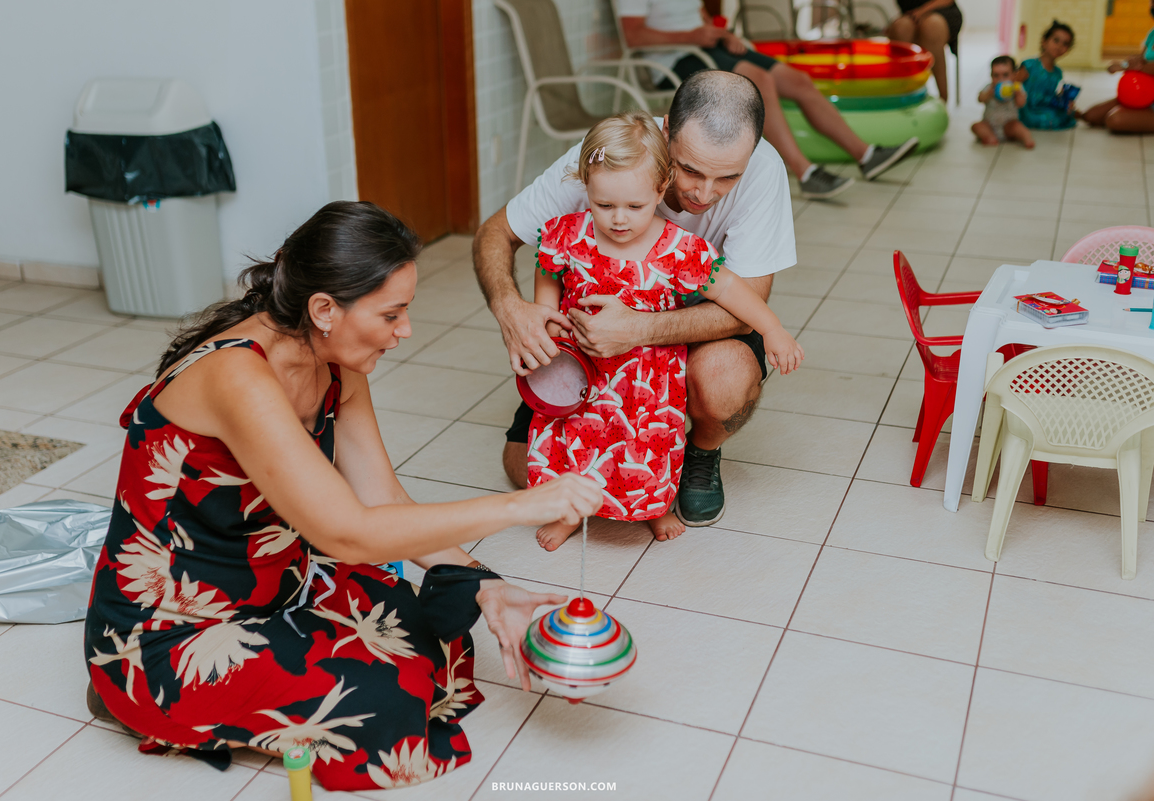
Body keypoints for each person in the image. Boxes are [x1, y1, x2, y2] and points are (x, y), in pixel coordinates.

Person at [83, 202, 603, 792]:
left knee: (439, 625)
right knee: (383, 697)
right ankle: (135, 697)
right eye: (392, 313)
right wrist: (521, 505)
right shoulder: (237, 377)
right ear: (325, 309)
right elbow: (345, 533)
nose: (405, 330)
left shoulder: (335, 362)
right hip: (177, 632)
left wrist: (488, 583)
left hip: (280, 585)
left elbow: (383, 501)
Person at [476, 71, 789, 530]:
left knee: (722, 381)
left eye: (727, 178)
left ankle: (697, 455)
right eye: (691, 170)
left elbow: (743, 308)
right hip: (590, 351)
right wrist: (515, 310)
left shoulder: (763, 172)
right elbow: (497, 235)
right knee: (523, 469)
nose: (704, 194)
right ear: (666, 140)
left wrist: (638, 330)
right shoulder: (611, 160)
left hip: (679, 347)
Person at [616, 0, 918, 200]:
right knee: (759, 81)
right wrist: (692, 37)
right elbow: (634, 36)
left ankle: (866, 155)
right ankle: (805, 172)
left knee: (798, 80)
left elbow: (699, 16)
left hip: (705, 46)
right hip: (674, 58)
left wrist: (722, 34)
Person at [1080, 0, 1154, 134]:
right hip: (1142, 95)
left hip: (1150, 99)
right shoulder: (1152, 34)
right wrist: (1124, 64)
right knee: (1090, 116)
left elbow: (1142, 66)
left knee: (1114, 120)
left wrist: (1128, 67)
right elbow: (1141, 60)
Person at [885, 0, 963, 103]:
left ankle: (943, 98)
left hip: (942, 11)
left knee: (932, 27)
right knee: (900, 28)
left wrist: (922, 11)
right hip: (911, 15)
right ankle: (904, 94)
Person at [1015, 21, 1078, 131]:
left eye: (1065, 44)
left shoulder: (1057, 72)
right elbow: (1014, 83)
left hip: (1044, 107)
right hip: (1027, 108)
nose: (1059, 46)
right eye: (1056, 40)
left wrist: (1065, 102)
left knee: (1065, 114)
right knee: (1049, 118)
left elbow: (1053, 95)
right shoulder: (1029, 65)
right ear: (1044, 41)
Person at [972, 56, 1034, 148]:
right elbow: (980, 99)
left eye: (1005, 75)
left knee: (1018, 126)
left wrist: (1017, 94)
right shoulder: (989, 88)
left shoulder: (1017, 88)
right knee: (976, 126)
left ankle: (1027, 138)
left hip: (1008, 125)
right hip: (990, 125)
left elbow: (1021, 103)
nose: (1000, 79)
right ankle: (990, 137)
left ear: (1014, 75)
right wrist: (988, 94)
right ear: (991, 76)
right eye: (996, 75)